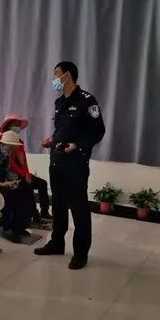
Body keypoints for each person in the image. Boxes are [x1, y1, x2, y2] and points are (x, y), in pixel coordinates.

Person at [34, 61, 105, 270]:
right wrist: (52, 139)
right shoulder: (59, 102)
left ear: (67, 75)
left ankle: (81, 253)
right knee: (58, 205)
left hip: (75, 163)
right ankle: (57, 243)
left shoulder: (87, 100)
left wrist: (78, 146)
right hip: (57, 161)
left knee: (78, 208)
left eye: (57, 74)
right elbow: (62, 129)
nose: (54, 79)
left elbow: (98, 131)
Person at [0, 113, 52, 222]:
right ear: (8, 125)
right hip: (10, 175)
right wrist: (23, 175)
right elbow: (9, 163)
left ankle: (44, 212)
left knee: (42, 183)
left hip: (22, 173)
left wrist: (27, 174)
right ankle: (34, 215)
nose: (17, 127)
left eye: (19, 124)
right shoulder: (2, 139)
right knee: (27, 187)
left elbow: (23, 161)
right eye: (15, 124)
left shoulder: (20, 141)